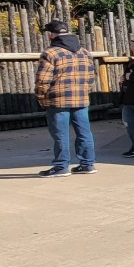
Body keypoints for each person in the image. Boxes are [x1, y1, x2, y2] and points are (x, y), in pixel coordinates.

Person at [35, 19, 97, 177]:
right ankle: (87, 164)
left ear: (51, 34)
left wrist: (41, 97)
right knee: (84, 132)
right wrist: (84, 91)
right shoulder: (84, 52)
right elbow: (91, 76)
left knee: (60, 134)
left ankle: (61, 166)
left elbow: (43, 80)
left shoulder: (50, 53)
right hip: (81, 99)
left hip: (58, 100)